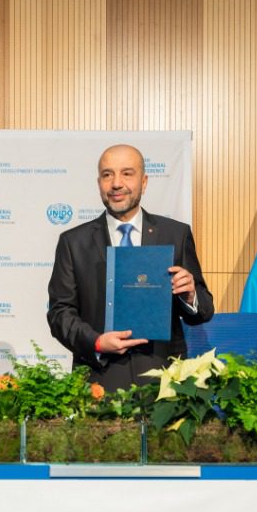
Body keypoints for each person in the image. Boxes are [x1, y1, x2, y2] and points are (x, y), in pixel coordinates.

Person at [47, 144, 214, 391]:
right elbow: (60, 313)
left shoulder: (175, 234)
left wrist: (190, 295)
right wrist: (96, 342)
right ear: (99, 183)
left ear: (144, 182)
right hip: (99, 381)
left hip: (165, 381)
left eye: (127, 173)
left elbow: (204, 312)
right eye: (107, 175)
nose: (116, 183)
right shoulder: (74, 243)